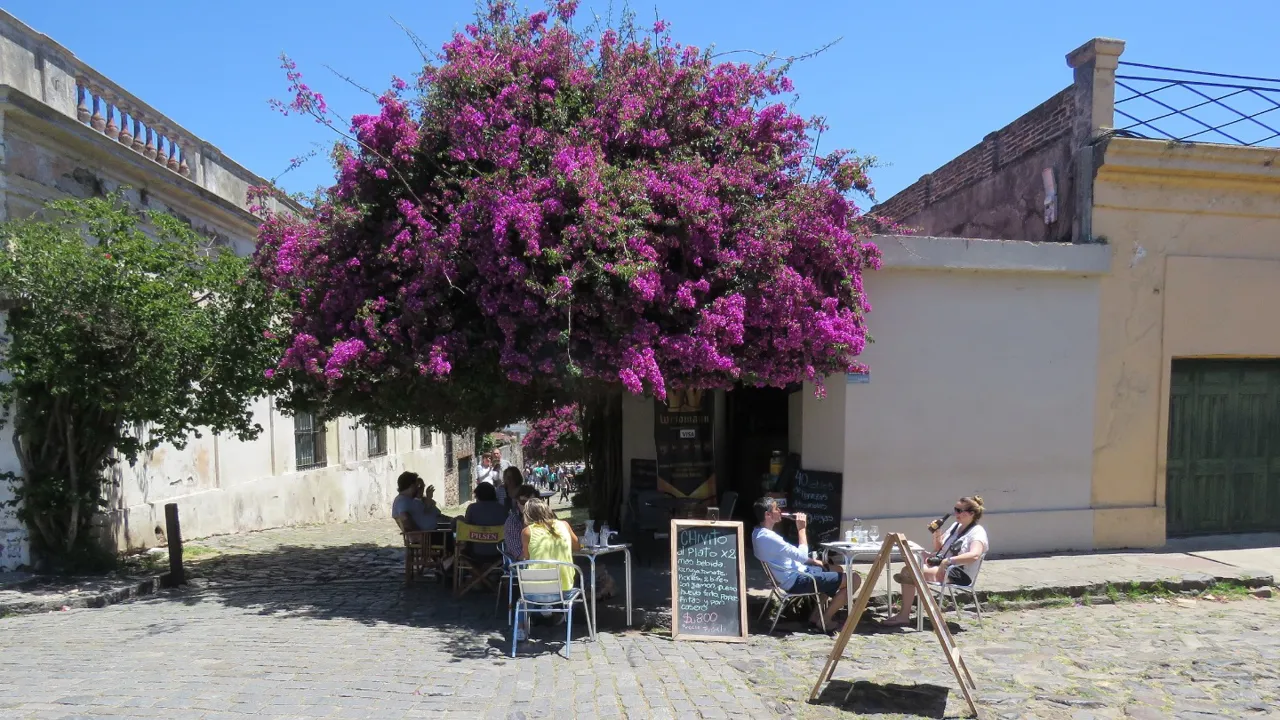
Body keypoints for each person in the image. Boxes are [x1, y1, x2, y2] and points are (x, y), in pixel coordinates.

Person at [751, 496, 857, 631]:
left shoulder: (758, 533)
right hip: (797, 581)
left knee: (836, 568)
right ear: (768, 514)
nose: (780, 510)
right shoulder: (770, 538)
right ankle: (825, 620)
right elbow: (801, 555)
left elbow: (792, 556)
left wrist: (813, 561)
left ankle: (815, 616)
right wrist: (801, 529)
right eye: (776, 508)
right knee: (854, 579)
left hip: (792, 575)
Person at [883, 495, 988, 626]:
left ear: (971, 513)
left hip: (959, 573)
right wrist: (937, 533)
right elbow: (939, 548)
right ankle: (914, 606)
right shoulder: (956, 526)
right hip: (943, 565)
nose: (956, 513)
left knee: (909, 572)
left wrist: (947, 561)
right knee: (911, 558)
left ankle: (905, 615)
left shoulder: (977, 532)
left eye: (960, 511)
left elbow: (974, 555)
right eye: (956, 509)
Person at [516, 498, 581, 641]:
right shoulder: (564, 525)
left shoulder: (526, 532)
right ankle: (549, 610)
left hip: (535, 592)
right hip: (564, 592)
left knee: (522, 601)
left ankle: (521, 629)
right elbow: (577, 546)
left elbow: (527, 557)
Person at [462, 482, 508, 561]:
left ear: (477, 495)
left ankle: (477, 571)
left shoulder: (472, 508)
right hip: (499, 552)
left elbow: (466, 528)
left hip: (475, 552)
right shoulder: (502, 509)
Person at [503, 483, 540, 560]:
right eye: (523, 502)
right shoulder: (513, 522)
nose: (528, 506)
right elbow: (520, 555)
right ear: (517, 502)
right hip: (522, 567)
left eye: (532, 502)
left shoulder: (546, 518)